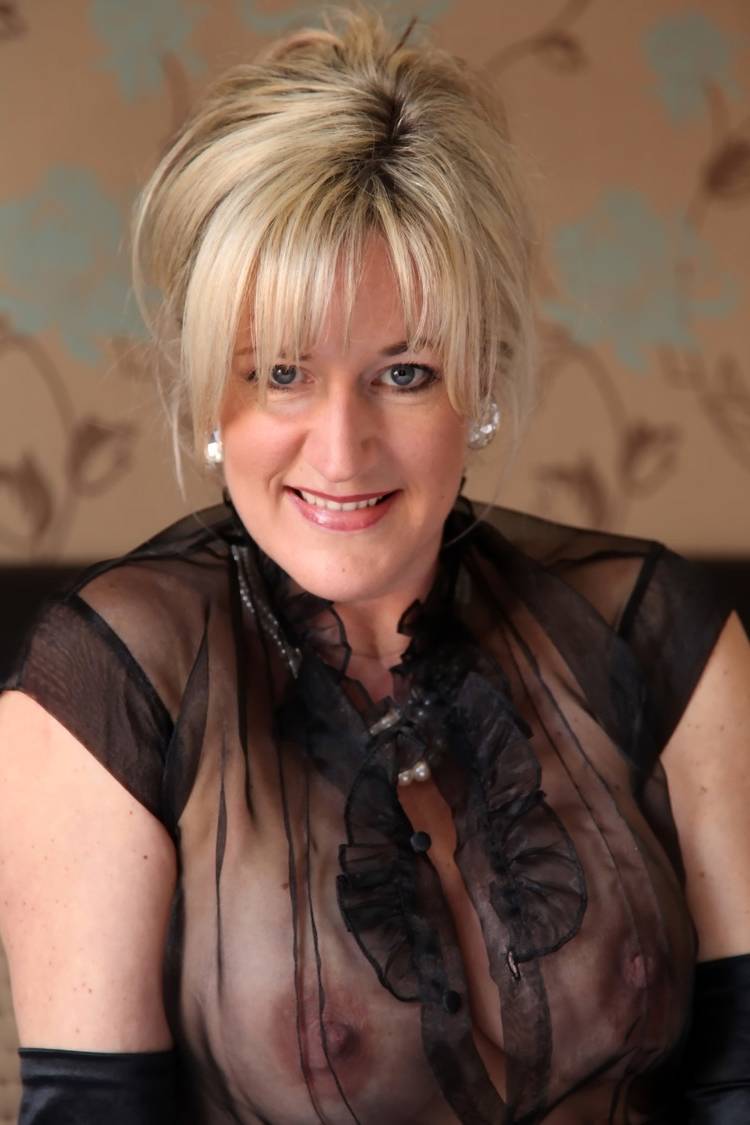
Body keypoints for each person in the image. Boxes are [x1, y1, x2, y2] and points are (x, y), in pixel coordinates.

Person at [1, 6, 749, 1123]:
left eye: (404, 373)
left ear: (477, 384)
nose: (342, 451)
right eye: (283, 373)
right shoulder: (106, 694)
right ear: (212, 394)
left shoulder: (658, 633)